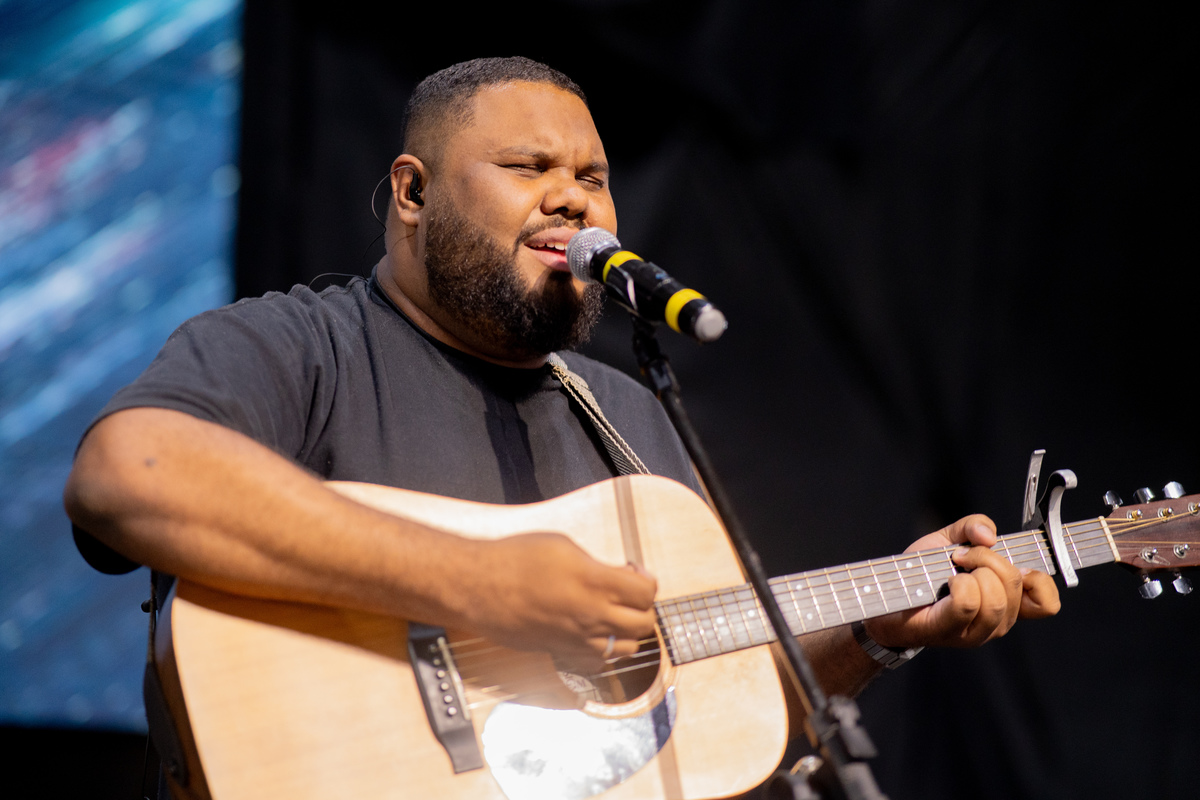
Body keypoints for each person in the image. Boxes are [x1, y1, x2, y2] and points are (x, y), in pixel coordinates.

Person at [64, 57, 1059, 715]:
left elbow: (722, 713)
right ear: (412, 192)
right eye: (530, 164)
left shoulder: (628, 415)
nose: (573, 195)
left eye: (593, 173)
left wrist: (878, 631)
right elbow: (127, 473)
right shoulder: (300, 342)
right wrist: (478, 580)